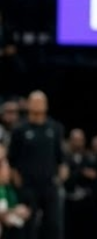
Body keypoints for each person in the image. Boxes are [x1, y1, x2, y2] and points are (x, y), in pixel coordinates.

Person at [7, 91, 64, 239]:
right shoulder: (20, 130)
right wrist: (16, 180)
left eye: (41, 101)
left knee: (54, 225)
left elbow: (60, 158)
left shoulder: (55, 128)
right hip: (28, 186)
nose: (38, 104)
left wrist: (60, 176)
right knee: (29, 227)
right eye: (34, 101)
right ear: (29, 104)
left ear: (46, 105)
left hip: (49, 185)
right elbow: (11, 160)